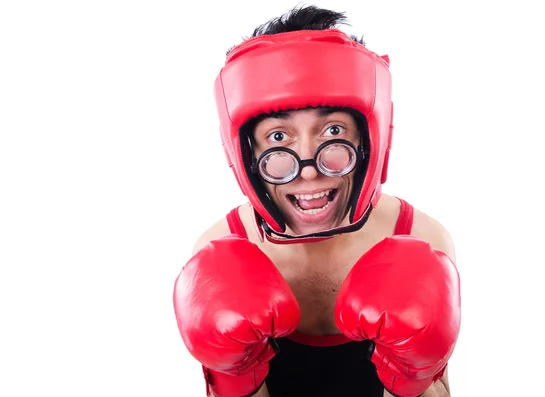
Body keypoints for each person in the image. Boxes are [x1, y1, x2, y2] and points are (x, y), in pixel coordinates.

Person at [173, 5, 461, 397]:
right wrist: (235, 379)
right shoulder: (221, 245)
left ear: (368, 138)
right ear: (244, 150)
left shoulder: (421, 237)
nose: (309, 169)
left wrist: (410, 379)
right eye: (278, 137)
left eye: (333, 129)